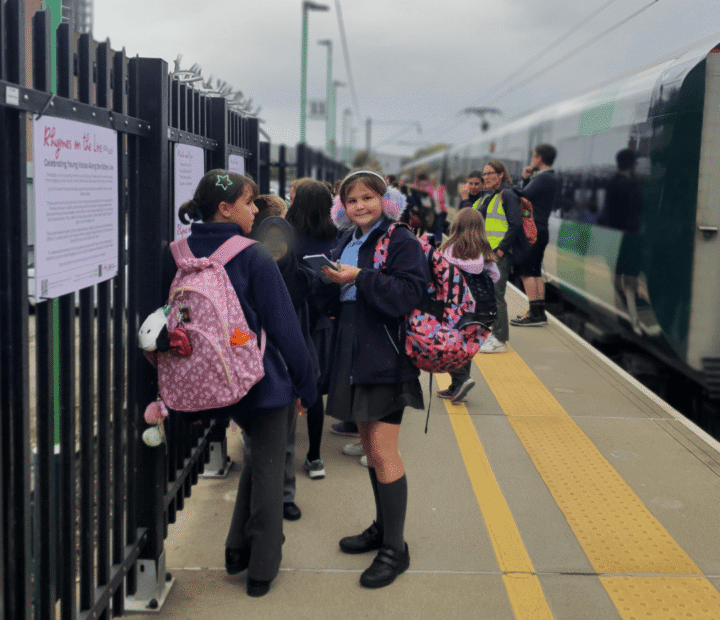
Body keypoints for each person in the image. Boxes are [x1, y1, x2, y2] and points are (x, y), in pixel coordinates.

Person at [170, 169, 317, 597]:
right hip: (260, 381)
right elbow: (286, 329)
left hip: (207, 379)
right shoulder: (253, 255)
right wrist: (306, 385)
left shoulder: (178, 252)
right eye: (249, 202)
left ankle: (236, 549)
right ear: (225, 208)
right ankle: (261, 569)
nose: (256, 210)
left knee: (256, 461)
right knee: (271, 473)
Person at [319, 170, 430, 588]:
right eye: (352, 200)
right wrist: (327, 279)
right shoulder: (348, 241)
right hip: (354, 347)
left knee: (383, 450)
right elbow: (342, 297)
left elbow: (410, 292)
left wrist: (358, 278)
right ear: (341, 207)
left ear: (386, 200)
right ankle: (383, 529)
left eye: (368, 198)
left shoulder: (400, 239)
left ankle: (395, 549)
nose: (360, 206)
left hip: (386, 354)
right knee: (368, 444)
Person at [251, 216, 317, 521]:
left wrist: (304, 376)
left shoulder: (301, 279)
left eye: (282, 240)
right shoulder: (249, 274)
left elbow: (303, 332)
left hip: (287, 370)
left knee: (286, 440)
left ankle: (285, 496)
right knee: (254, 442)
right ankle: (258, 497)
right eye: (269, 240)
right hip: (254, 370)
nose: (276, 247)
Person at [285, 179, 342, 477]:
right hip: (321, 322)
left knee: (285, 382)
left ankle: (281, 452)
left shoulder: (287, 236)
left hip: (290, 318)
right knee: (314, 385)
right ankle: (315, 457)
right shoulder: (338, 236)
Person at [437, 208, 500, 402]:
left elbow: (440, 276)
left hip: (456, 307)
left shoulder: (449, 248)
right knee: (466, 346)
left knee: (449, 345)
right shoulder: (485, 250)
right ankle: (456, 387)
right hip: (482, 308)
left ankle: (461, 379)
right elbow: (496, 276)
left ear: (457, 225)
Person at [477, 160, 527, 354]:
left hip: (500, 255)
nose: (486, 177)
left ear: (500, 175)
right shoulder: (494, 196)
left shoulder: (507, 194)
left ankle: (500, 340)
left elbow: (515, 225)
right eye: (484, 174)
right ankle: (496, 332)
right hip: (492, 253)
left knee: (497, 296)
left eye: (490, 173)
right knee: (491, 294)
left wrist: (500, 251)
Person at [511, 144, 559, 327]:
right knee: (535, 272)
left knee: (525, 271)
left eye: (533, 156)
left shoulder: (543, 178)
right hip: (542, 229)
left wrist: (515, 184)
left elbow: (523, 196)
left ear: (539, 158)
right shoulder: (552, 178)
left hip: (533, 230)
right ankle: (538, 313)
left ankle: (534, 313)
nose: (532, 159)